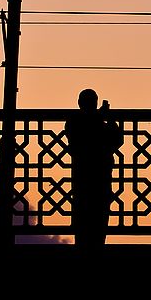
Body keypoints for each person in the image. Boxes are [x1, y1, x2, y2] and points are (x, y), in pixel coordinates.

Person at [64, 89, 123, 247]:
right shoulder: (81, 122)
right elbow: (117, 140)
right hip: (99, 174)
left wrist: (104, 119)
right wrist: (106, 118)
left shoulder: (73, 121)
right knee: (99, 214)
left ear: (79, 103)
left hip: (84, 175)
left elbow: (116, 140)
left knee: (85, 213)